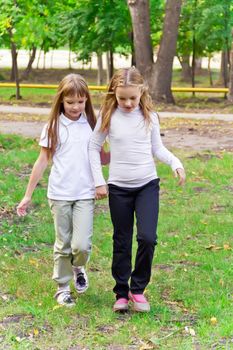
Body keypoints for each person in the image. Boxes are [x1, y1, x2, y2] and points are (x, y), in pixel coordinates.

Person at [89, 67, 186, 313]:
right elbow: (93, 147)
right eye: (122, 98)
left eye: (133, 97)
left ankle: (138, 289)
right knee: (121, 240)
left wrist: (175, 162)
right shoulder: (108, 115)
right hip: (119, 188)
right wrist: (99, 181)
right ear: (114, 94)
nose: (128, 103)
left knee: (147, 238)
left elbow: (158, 148)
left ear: (142, 92)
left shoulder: (150, 116)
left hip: (147, 185)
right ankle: (121, 292)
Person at [17, 74, 97, 307]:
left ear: (86, 101)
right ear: (61, 100)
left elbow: (100, 157)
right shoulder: (53, 126)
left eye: (80, 102)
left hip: (85, 193)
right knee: (63, 243)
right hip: (60, 193)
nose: (75, 107)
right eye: (70, 102)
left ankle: (78, 266)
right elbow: (42, 161)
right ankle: (62, 288)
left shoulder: (92, 123)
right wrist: (28, 195)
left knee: (80, 245)